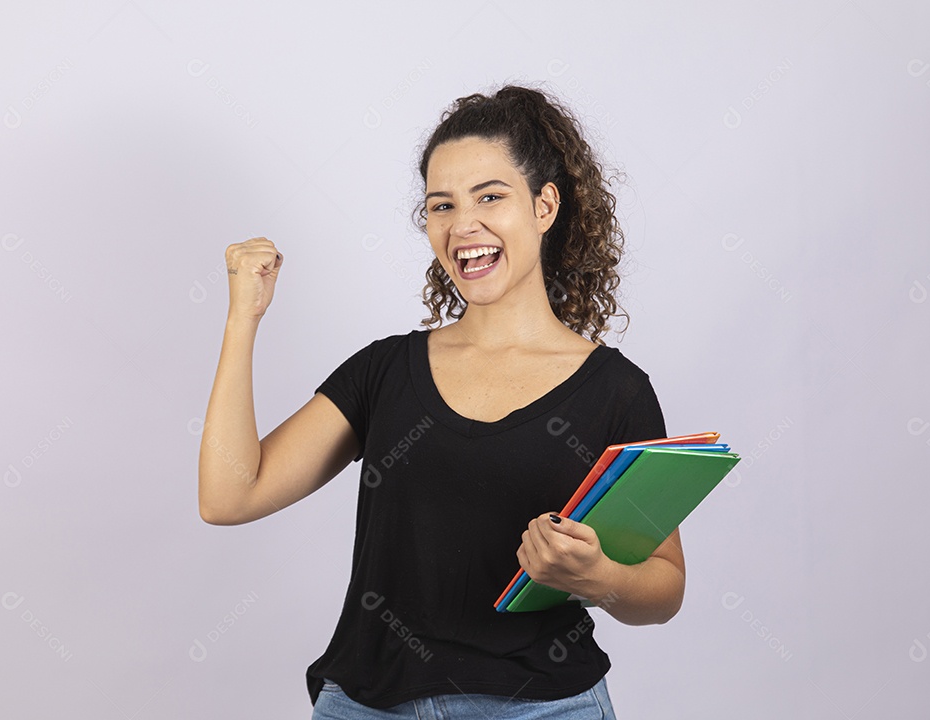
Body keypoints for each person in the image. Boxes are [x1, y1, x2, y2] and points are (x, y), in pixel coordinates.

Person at [198, 83, 686, 719]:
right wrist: (244, 319)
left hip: (543, 708)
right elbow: (229, 496)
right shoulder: (385, 372)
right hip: (370, 705)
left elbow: (665, 583)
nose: (464, 226)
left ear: (544, 206)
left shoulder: (616, 391)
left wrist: (601, 580)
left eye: (490, 196)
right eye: (441, 205)